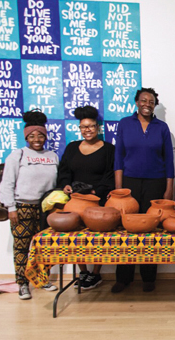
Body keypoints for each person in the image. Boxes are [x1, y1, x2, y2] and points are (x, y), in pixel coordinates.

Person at [112, 88, 175, 293]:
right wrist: (119, 189)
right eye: (143, 100)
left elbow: (168, 161)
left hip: (155, 183)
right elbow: (118, 157)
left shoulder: (162, 127)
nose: (147, 103)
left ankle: (148, 277)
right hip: (129, 183)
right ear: (136, 102)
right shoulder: (125, 124)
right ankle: (124, 278)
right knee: (126, 231)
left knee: (151, 231)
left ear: (155, 104)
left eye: (151, 101)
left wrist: (168, 191)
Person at [0, 110, 59, 300]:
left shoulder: (53, 156)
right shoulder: (18, 155)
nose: (36, 139)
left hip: (44, 210)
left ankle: (41, 280)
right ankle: (22, 284)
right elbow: (7, 183)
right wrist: (11, 208)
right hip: (22, 207)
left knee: (44, 246)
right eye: (32, 135)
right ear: (26, 137)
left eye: (40, 135)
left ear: (45, 136)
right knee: (22, 247)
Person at [57, 106, 115, 290]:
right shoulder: (72, 147)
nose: (87, 130)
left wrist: (97, 193)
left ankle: (96, 273)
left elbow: (110, 175)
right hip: (75, 200)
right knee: (76, 236)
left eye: (90, 126)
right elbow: (64, 170)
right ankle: (83, 271)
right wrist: (65, 184)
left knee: (98, 237)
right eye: (83, 127)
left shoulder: (108, 149)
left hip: (98, 200)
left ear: (98, 128)